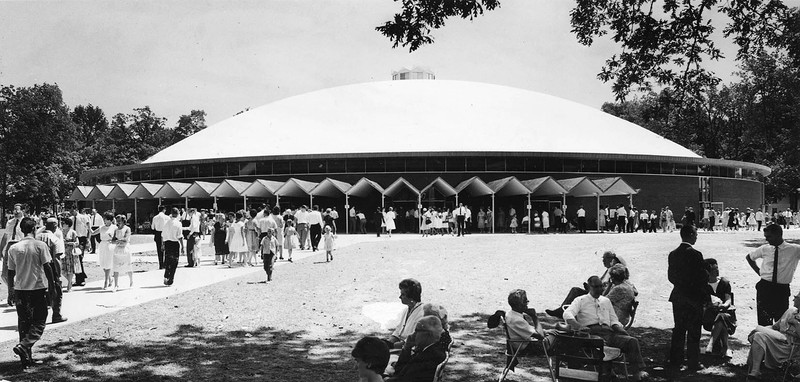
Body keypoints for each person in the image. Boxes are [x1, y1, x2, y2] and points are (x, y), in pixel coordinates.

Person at [563, 275, 648, 381]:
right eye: (596, 287)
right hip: (591, 333)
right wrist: (579, 326)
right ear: (589, 287)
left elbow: (613, 320)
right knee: (600, 345)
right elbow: (567, 314)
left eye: (601, 286)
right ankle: (608, 373)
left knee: (632, 341)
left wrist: (619, 328)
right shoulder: (580, 300)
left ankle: (637, 374)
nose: (599, 289)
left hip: (609, 332)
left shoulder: (606, 301)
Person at [7, 217, 56, 366]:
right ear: (34, 229)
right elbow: (48, 267)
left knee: (24, 323)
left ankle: (25, 359)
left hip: (20, 289)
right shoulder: (40, 245)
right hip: (37, 288)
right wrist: (52, 287)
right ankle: (24, 346)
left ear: (21, 230)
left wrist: (10, 291)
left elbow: (10, 272)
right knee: (40, 321)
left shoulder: (14, 248)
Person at [667, 224, 709, 371]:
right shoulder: (696, 254)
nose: (697, 237)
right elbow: (702, 277)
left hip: (678, 296)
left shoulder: (673, 254)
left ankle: (675, 360)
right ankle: (693, 362)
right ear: (690, 234)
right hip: (693, 297)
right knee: (694, 331)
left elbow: (671, 277)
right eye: (696, 234)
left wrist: (682, 284)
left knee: (678, 329)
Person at [746, 223, 800, 326]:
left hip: (781, 289)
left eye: (769, 237)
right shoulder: (765, 249)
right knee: (763, 320)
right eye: (765, 237)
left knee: (781, 321)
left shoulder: (794, 249)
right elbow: (749, 257)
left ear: (778, 235)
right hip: (765, 287)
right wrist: (759, 272)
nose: (767, 239)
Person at [545, 251, 627, 318]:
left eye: (605, 260)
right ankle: (563, 310)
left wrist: (592, 288)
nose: (603, 262)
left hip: (598, 295)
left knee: (575, 291)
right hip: (597, 292)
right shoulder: (610, 271)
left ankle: (563, 311)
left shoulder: (613, 273)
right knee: (576, 290)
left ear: (611, 260)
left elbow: (606, 289)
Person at [746, 293, 800, 380]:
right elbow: (775, 327)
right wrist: (760, 329)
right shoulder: (790, 311)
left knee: (760, 336)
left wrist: (796, 323)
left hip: (791, 348)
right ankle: (755, 370)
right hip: (779, 341)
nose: (793, 299)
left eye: (796, 297)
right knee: (759, 335)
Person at [386, 316, 446, 382]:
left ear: (427, 334)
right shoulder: (431, 351)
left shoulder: (427, 358)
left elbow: (401, 375)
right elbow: (400, 370)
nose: (412, 335)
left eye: (416, 331)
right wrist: (407, 348)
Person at [702, 258, 736, 359]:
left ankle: (710, 344)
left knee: (722, 316)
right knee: (721, 318)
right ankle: (725, 347)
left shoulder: (724, 282)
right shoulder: (703, 284)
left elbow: (728, 299)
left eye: (717, 268)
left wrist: (724, 305)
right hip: (709, 315)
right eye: (713, 270)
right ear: (707, 271)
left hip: (724, 312)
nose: (717, 271)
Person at [35, 217, 67, 323]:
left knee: (40, 293)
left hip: (37, 269)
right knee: (56, 291)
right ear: (55, 226)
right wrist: (58, 275)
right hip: (51, 268)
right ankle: (56, 314)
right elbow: (56, 258)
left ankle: (38, 318)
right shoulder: (54, 238)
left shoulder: (36, 237)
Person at [386, 278, 425, 349]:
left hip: (409, 349)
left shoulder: (422, 313)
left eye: (403, 294)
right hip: (399, 346)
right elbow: (398, 331)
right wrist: (388, 342)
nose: (400, 297)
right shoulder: (406, 310)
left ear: (411, 297)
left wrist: (392, 346)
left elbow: (414, 339)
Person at [505, 289, 544, 354]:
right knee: (560, 339)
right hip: (526, 346)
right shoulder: (517, 320)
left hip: (523, 343)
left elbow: (530, 330)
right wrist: (534, 317)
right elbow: (540, 336)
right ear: (518, 305)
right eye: (525, 301)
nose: (527, 302)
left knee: (555, 333)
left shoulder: (510, 313)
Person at [1, 203, 26, 306]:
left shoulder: (26, 222)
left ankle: (15, 296)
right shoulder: (10, 222)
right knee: (5, 274)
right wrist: (0, 249)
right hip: (10, 247)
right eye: (14, 210)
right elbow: (5, 237)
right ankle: (13, 292)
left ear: (23, 210)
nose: (15, 212)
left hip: (21, 246)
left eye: (17, 210)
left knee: (20, 273)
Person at [91, 212, 116, 290]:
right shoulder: (101, 227)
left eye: (105, 219)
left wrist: (112, 237)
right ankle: (109, 278)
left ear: (110, 220)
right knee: (103, 263)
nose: (104, 220)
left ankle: (105, 282)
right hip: (102, 245)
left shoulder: (114, 227)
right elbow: (93, 233)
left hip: (110, 245)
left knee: (108, 263)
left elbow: (117, 238)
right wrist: (88, 226)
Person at [111, 214, 133, 292]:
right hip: (117, 249)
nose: (118, 222)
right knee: (116, 266)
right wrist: (118, 241)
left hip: (125, 249)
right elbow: (113, 240)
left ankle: (131, 282)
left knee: (128, 265)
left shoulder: (127, 229)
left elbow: (126, 239)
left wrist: (118, 241)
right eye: (117, 221)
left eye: (119, 221)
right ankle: (116, 285)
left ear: (124, 221)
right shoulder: (116, 230)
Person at [162, 208, 184, 286]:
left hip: (167, 243)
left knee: (168, 260)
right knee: (174, 261)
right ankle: (171, 278)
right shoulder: (178, 223)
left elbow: (163, 235)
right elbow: (180, 236)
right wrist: (182, 246)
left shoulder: (166, 223)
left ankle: (166, 275)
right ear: (178, 214)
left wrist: (163, 244)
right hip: (174, 243)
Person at [59, 218, 78, 293]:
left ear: (68, 225)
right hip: (62, 253)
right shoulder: (60, 232)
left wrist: (69, 243)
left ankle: (69, 285)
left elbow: (77, 243)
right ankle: (70, 281)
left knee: (70, 269)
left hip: (70, 253)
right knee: (63, 270)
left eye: (64, 223)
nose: (63, 224)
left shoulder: (73, 232)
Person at [72, 208, 90, 285]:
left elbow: (89, 229)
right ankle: (78, 278)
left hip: (81, 238)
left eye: (72, 210)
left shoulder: (84, 218)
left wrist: (88, 239)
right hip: (74, 239)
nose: (71, 212)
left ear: (76, 209)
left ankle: (82, 278)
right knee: (75, 259)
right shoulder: (71, 219)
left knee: (79, 258)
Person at [151, 205, 169, 270]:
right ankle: (165, 263)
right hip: (165, 233)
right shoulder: (167, 217)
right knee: (166, 249)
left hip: (157, 233)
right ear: (164, 210)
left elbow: (152, 227)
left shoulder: (155, 217)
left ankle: (161, 264)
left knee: (159, 249)